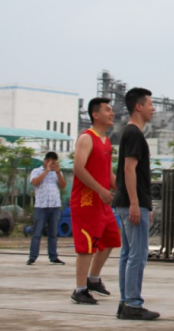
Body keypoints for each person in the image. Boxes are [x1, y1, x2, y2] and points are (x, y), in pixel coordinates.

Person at [113, 87, 159, 320]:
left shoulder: (130, 133)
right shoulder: (134, 134)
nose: (153, 108)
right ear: (139, 106)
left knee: (128, 254)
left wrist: (143, 205)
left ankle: (126, 302)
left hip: (129, 202)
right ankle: (132, 303)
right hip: (131, 203)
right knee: (137, 255)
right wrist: (135, 203)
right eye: (150, 104)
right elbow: (129, 169)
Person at [70, 97, 122, 304]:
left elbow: (107, 173)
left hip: (102, 202)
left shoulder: (106, 141)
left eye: (112, 110)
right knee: (87, 246)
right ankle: (79, 290)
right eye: (107, 110)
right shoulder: (86, 138)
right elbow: (78, 169)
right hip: (86, 201)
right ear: (95, 114)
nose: (112, 113)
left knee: (111, 240)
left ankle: (92, 279)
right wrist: (100, 190)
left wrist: (124, 190)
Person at [27, 151, 66, 265]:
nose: (51, 164)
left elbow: (63, 186)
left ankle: (53, 256)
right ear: (45, 161)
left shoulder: (58, 172)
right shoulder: (36, 171)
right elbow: (35, 182)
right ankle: (32, 257)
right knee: (37, 232)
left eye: (53, 162)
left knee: (53, 233)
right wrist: (46, 171)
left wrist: (58, 172)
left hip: (55, 205)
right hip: (41, 205)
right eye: (49, 161)